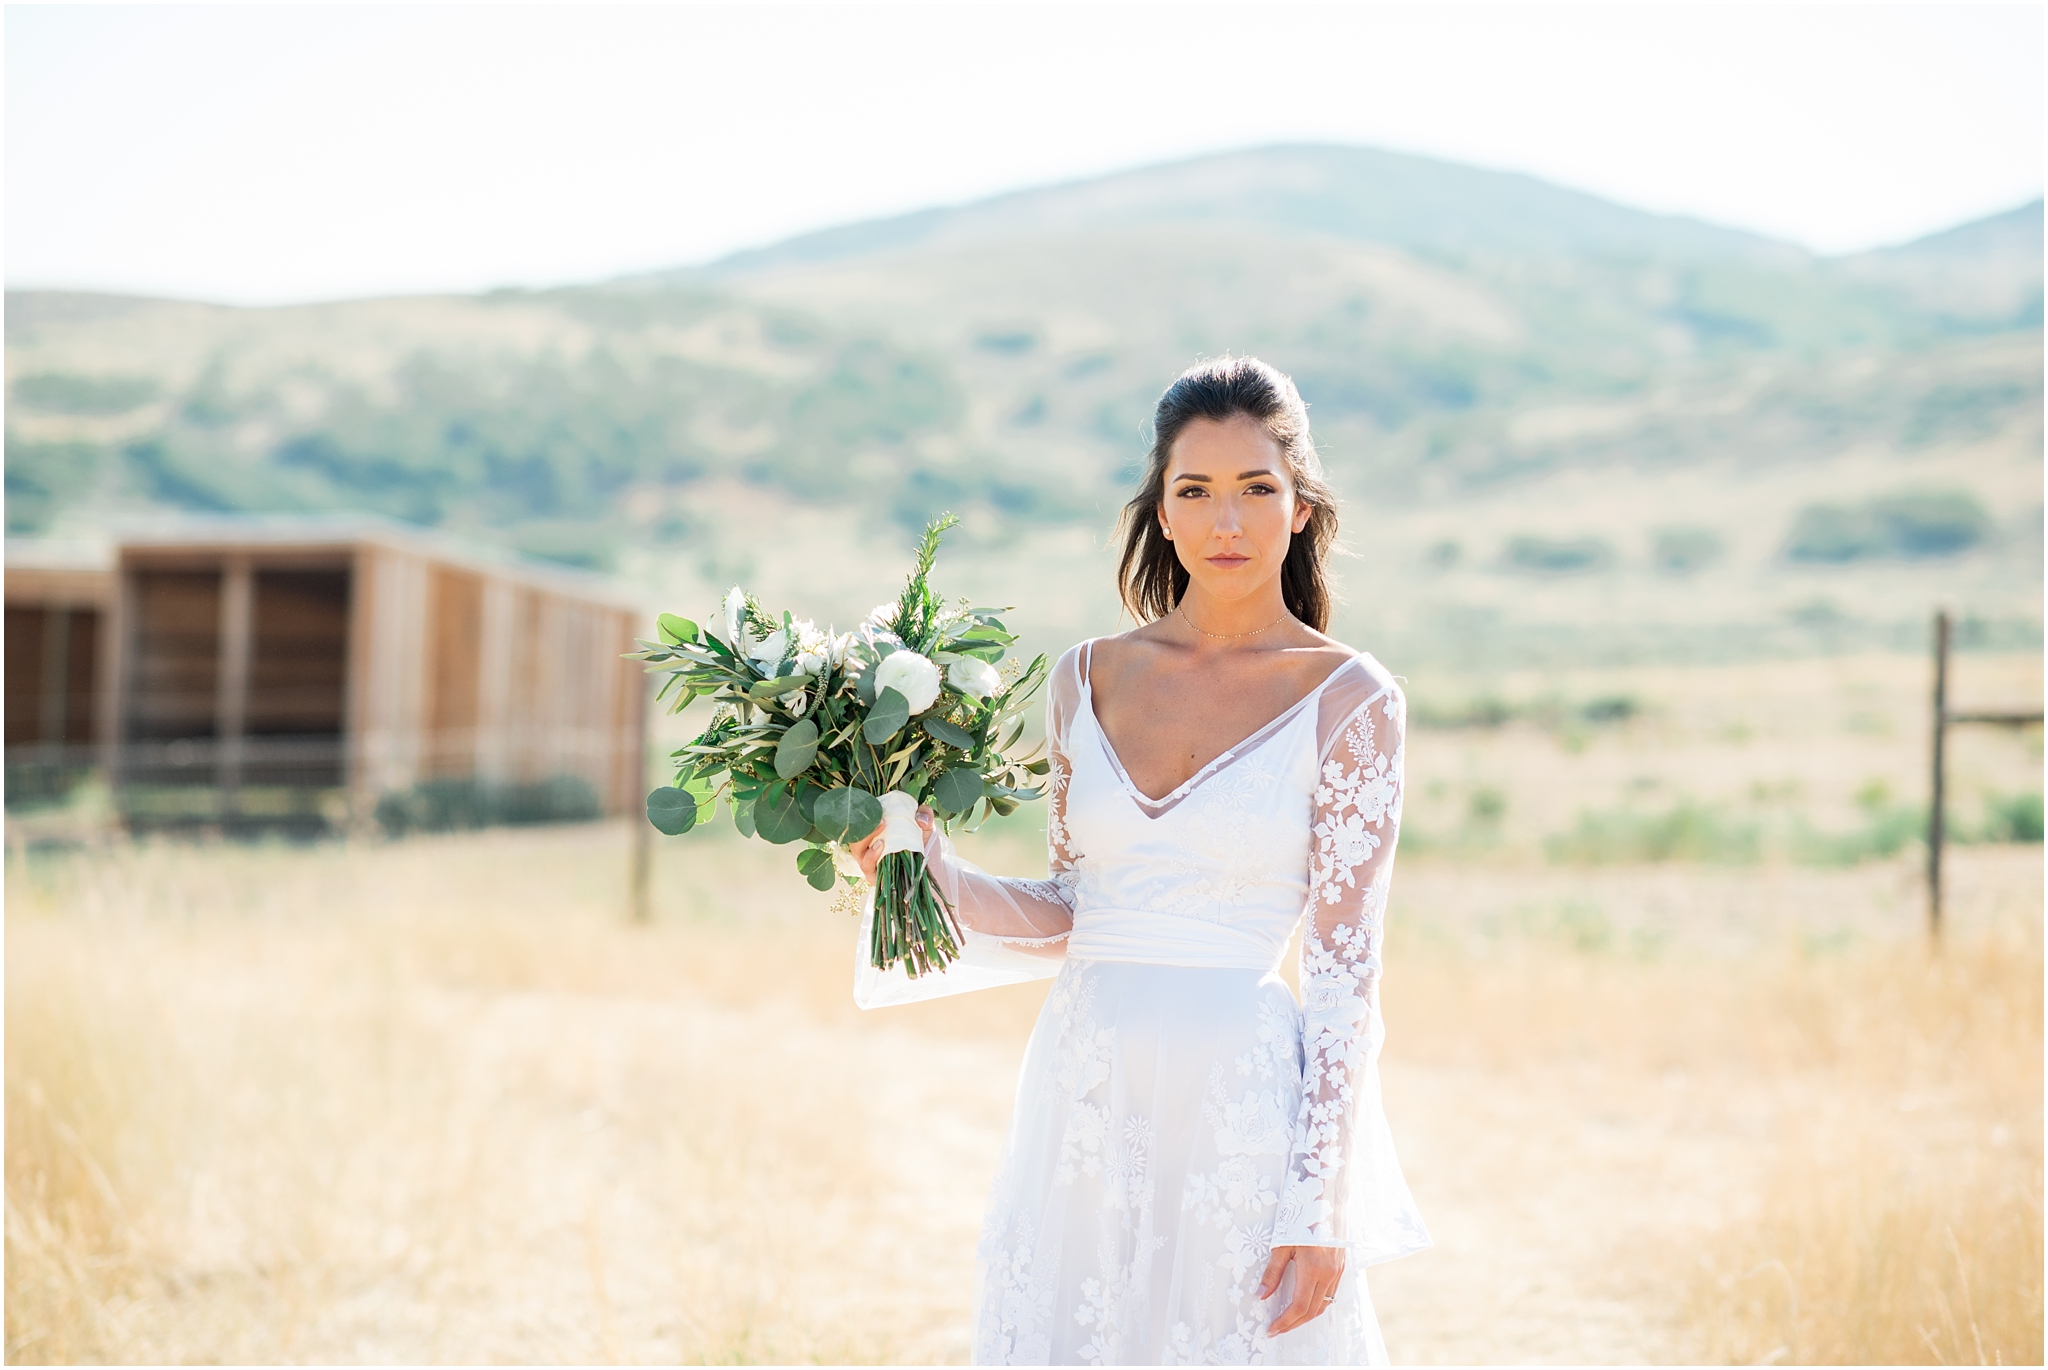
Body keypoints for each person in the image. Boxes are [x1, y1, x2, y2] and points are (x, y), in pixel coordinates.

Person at [850, 355, 1430, 1365]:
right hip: (1081, 1091)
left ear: (1300, 508)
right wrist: (921, 868)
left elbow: (1344, 973)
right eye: (1194, 491)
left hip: (1236, 1105)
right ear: (1159, 512)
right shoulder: (1085, 677)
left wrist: (1321, 1194)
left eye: (1256, 489)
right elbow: (1076, 908)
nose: (1227, 522)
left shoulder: (1350, 699)